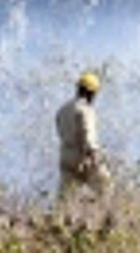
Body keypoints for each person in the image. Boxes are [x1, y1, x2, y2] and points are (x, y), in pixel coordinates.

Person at [55, 70, 111, 200]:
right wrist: (94, 155)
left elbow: (60, 132)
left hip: (66, 158)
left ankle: (62, 218)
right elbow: (89, 134)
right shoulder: (85, 110)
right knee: (105, 187)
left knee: (65, 199)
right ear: (91, 92)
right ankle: (103, 216)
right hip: (83, 158)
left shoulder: (62, 110)